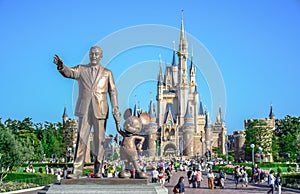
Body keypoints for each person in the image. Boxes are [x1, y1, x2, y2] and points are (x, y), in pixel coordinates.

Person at [53, 46, 121, 179]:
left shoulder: (107, 73)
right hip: (84, 109)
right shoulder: (81, 69)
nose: (94, 56)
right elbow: (69, 73)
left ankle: (98, 170)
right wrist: (62, 67)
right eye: (91, 54)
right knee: (81, 138)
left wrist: (115, 108)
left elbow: (112, 91)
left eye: (96, 54)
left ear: (101, 56)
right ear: (89, 55)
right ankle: (77, 170)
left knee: (99, 140)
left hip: (100, 110)